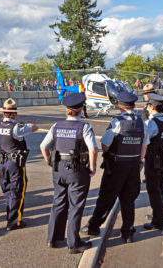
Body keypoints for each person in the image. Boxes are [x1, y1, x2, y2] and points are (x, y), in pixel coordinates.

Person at [81, 91, 149, 243]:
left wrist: (110, 154)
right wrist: (137, 160)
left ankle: (93, 226)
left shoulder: (116, 122)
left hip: (117, 166)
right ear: (134, 106)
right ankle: (128, 232)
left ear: (120, 106)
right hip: (133, 166)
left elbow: (105, 144)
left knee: (106, 198)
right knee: (128, 200)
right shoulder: (142, 122)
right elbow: (145, 146)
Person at [40, 93, 98, 254]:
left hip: (58, 169)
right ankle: (73, 243)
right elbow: (93, 149)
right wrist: (92, 167)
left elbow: (43, 146)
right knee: (75, 206)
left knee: (58, 202)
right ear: (81, 110)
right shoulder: (84, 127)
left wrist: (50, 163)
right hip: (77, 170)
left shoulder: (56, 126)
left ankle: (53, 238)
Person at [0, 98, 38, 231]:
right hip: (15, 163)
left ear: (3, 113)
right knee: (17, 191)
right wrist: (25, 124)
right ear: (14, 114)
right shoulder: (16, 128)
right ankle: (14, 221)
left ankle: (11, 215)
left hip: (2, 163)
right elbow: (34, 127)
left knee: (7, 190)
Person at [143, 93, 163, 231]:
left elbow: (145, 140)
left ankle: (158, 221)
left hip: (153, 159)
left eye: (148, 106)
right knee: (161, 187)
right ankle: (160, 215)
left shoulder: (152, 123)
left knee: (153, 189)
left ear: (151, 107)